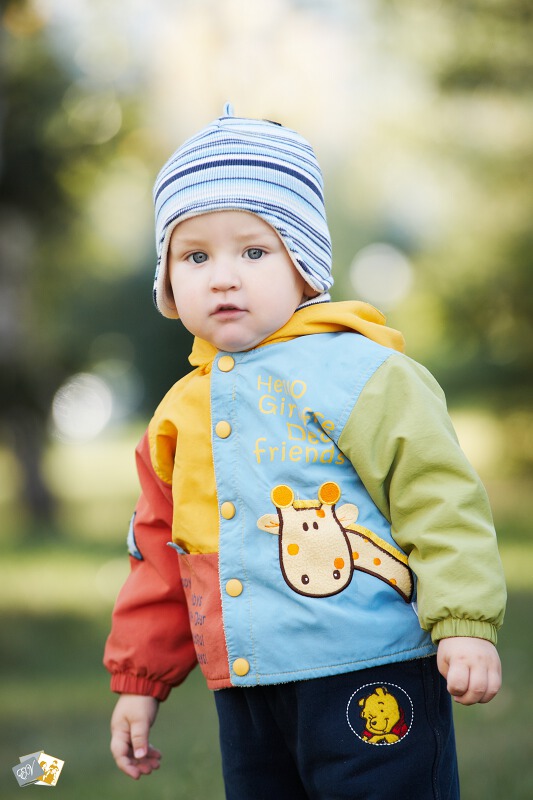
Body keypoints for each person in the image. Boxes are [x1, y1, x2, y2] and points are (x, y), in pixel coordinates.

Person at [104, 104, 506, 799]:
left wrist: (463, 621)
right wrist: (140, 680)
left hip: (369, 669)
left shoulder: (362, 373)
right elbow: (162, 555)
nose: (222, 277)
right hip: (247, 689)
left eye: (253, 251)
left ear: (305, 262)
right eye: (195, 256)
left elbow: (437, 498)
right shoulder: (177, 415)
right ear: (167, 279)